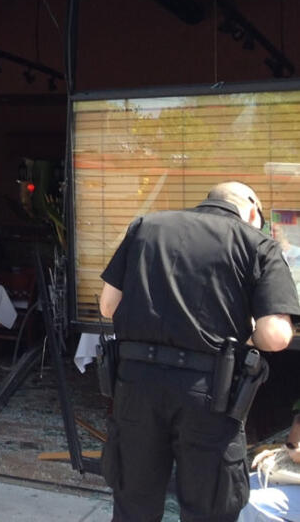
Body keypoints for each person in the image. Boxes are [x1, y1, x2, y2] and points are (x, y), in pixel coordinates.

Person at [99, 181, 300, 522]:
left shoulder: (146, 227)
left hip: (136, 387)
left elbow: (108, 305)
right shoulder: (257, 243)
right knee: (209, 508)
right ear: (251, 209)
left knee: (134, 505)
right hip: (208, 395)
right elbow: (277, 336)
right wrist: (240, 336)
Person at [239, 414, 300, 522]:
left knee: (248, 503)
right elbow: (293, 446)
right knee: (232, 488)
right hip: (291, 477)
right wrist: (278, 453)